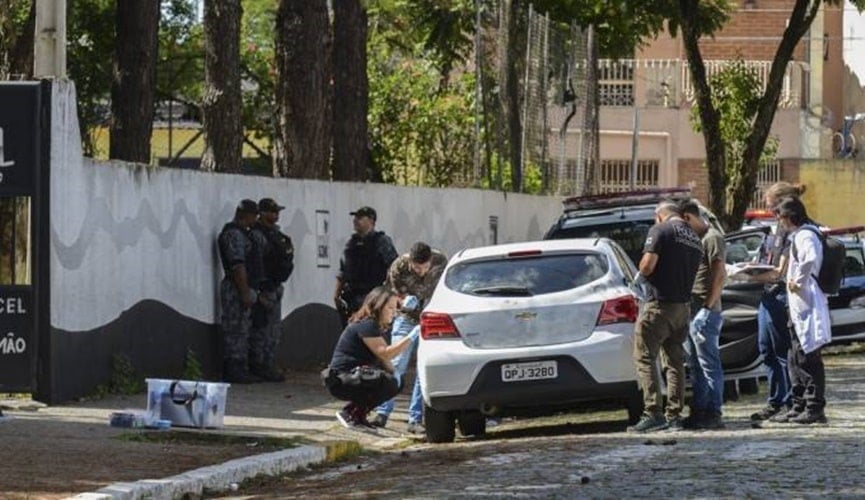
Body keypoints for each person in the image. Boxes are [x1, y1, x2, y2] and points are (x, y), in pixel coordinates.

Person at [628, 200, 703, 433]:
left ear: (659, 215)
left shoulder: (660, 230)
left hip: (659, 305)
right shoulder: (694, 238)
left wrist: (639, 274)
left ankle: (653, 412)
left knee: (645, 358)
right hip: (682, 307)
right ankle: (675, 415)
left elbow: (648, 265)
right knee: (674, 362)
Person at [371, 242, 448, 434]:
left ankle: (415, 418)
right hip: (406, 317)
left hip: (430, 318)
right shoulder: (399, 266)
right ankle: (383, 412)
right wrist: (404, 302)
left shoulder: (441, 262)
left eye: (424, 267)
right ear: (410, 262)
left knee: (423, 369)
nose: (420, 272)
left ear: (430, 261)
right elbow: (393, 294)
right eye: (416, 267)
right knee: (396, 364)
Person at [749, 182, 806, 421]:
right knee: (767, 350)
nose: (767, 207)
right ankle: (775, 400)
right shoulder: (773, 230)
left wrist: (743, 275)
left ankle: (792, 401)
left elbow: (780, 271)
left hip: (780, 294)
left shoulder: (790, 231)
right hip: (767, 295)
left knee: (784, 352)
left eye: (770, 203)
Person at [323, 286, 418, 428]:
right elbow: (385, 353)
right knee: (387, 382)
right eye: (390, 308)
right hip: (341, 380)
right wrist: (412, 335)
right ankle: (349, 412)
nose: (394, 313)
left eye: (395, 309)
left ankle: (359, 416)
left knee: (395, 382)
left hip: (353, 377)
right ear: (378, 306)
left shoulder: (375, 326)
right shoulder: (366, 324)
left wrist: (395, 375)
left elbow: (384, 359)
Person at [772, 197, 830, 424]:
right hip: (799, 304)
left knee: (808, 356)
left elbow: (810, 259)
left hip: (806, 301)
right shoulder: (800, 235)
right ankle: (800, 404)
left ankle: (815, 407)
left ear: (789, 217)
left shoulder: (806, 235)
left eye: (782, 217)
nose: (780, 222)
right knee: (796, 355)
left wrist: (798, 280)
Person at [680, 199, 727, 429]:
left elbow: (719, 275)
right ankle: (699, 410)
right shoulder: (697, 240)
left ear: (689, 217)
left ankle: (713, 411)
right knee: (696, 364)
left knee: (708, 363)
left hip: (705, 310)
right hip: (693, 308)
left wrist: (707, 309)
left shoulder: (712, 238)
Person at [217, 199, 266, 384]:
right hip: (235, 288)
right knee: (235, 328)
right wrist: (244, 292)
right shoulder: (233, 234)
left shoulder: (245, 234)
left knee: (242, 328)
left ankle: (241, 367)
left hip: (244, 287)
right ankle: (233, 368)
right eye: (255, 215)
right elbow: (237, 266)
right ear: (248, 215)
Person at [247, 198, 295, 382]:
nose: (276, 215)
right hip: (263, 287)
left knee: (272, 329)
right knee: (260, 327)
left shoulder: (276, 235)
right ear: (263, 213)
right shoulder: (257, 235)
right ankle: (258, 364)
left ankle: (267, 363)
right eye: (272, 211)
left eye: (277, 211)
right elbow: (255, 263)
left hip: (275, 285)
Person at [334, 206, 399, 325]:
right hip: (352, 298)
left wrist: (386, 292)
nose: (355, 220)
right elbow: (343, 271)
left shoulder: (381, 241)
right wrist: (336, 294)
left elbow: (394, 267)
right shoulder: (351, 244)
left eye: (360, 217)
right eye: (355, 218)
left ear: (371, 220)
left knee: (369, 331)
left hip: (373, 296)